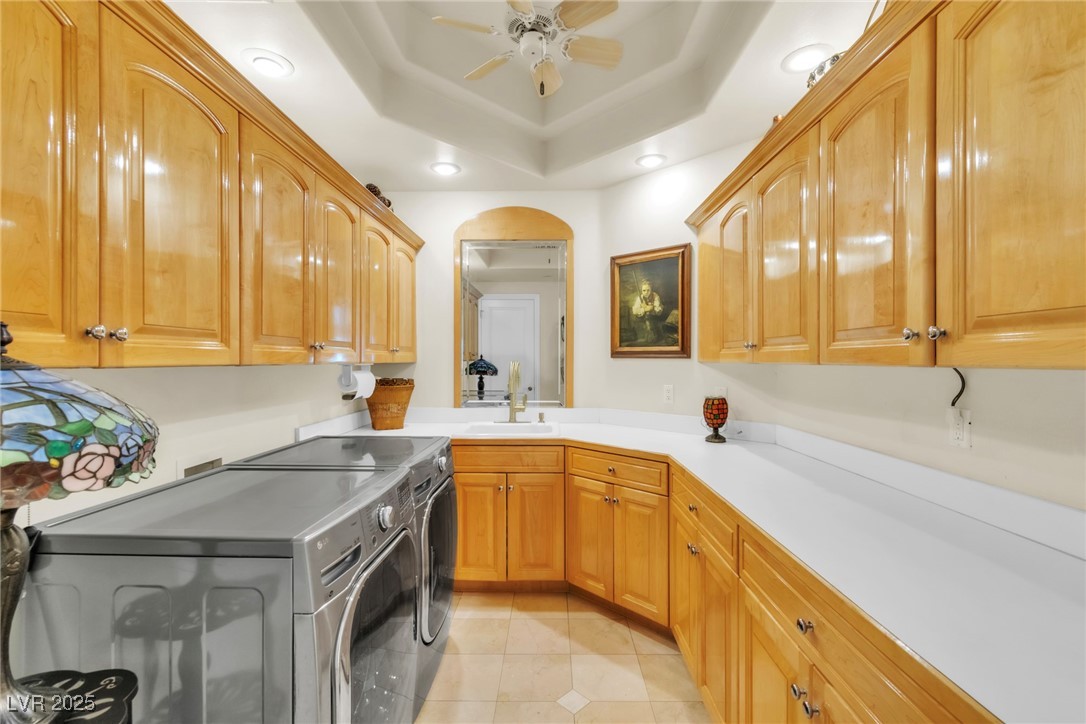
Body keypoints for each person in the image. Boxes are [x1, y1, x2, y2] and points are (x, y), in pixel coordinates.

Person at [631, 279, 666, 344]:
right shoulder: (640, 297)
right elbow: (635, 311)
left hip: (655, 315)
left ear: (651, 290)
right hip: (644, 317)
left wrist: (650, 308)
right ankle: (649, 334)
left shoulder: (655, 296)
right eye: (644, 290)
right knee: (646, 318)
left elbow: (657, 309)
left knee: (652, 319)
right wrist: (644, 309)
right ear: (641, 291)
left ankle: (654, 335)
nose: (646, 292)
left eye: (648, 290)